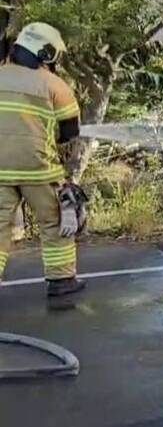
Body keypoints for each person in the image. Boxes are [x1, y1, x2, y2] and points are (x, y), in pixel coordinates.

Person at [0, 22, 84, 297]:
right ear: (46, 53)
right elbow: (69, 132)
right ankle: (61, 281)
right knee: (55, 220)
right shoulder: (54, 85)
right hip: (39, 171)